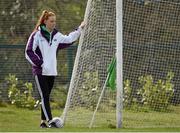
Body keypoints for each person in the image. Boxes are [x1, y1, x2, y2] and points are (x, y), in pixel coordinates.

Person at [25, 10, 85, 128]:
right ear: (45, 21)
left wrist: (80, 29)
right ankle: (50, 121)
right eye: (51, 21)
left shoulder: (57, 36)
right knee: (45, 95)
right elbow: (28, 52)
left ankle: (43, 122)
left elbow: (69, 39)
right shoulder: (36, 35)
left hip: (52, 71)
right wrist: (40, 64)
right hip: (40, 71)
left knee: (45, 96)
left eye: (55, 21)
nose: (54, 23)